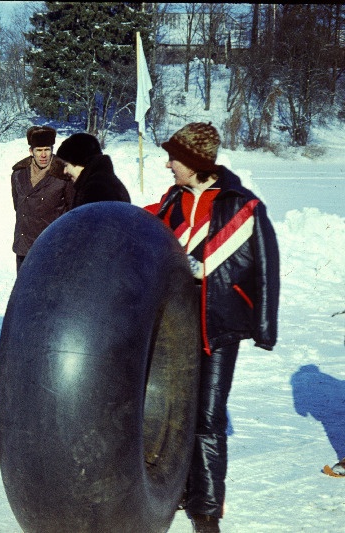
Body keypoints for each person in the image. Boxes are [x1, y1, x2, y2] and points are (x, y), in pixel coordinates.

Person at [145, 122, 280, 533]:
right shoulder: (173, 199)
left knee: (207, 415)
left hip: (218, 328)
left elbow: (266, 268)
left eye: (174, 157)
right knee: (174, 413)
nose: (168, 163)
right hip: (175, 327)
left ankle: (205, 508)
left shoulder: (243, 205)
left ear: (195, 162)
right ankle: (177, 489)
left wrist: (263, 326)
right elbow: (147, 228)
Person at [11, 125, 73, 271]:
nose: (43, 155)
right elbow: (18, 206)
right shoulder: (19, 174)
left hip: (51, 247)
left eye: (47, 149)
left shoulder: (63, 175)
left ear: (52, 150)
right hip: (24, 246)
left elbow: (73, 211)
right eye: (39, 150)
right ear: (31, 151)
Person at [55, 133, 131, 206]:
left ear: (78, 162)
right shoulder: (104, 182)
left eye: (66, 165)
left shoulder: (96, 190)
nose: (65, 171)